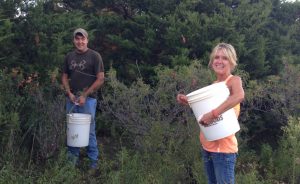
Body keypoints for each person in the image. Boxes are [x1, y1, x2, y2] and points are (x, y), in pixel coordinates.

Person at [177, 43, 244, 184]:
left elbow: (238, 96)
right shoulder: (214, 85)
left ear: (232, 62)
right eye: (216, 57)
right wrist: (189, 101)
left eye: (225, 58)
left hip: (224, 150)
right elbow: (206, 109)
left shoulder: (234, 81)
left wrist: (212, 114)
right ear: (212, 61)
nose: (219, 61)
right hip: (207, 147)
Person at [62, 28, 105, 169]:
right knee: (72, 130)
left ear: (87, 40)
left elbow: (100, 79)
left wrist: (85, 95)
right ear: (74, 40)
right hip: (72, 100)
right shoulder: (69, 56)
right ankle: (71, 164)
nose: (80, 41)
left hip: (89, 100)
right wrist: (69, 93)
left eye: (82, 39)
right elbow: (64, 76)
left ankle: (93, 164)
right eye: (77, 39)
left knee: (89, 131)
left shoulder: (95, 56)